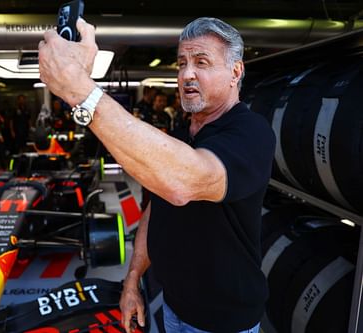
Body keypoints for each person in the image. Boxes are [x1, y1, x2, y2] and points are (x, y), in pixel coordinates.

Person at [38, 16, 275, 333]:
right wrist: (133, 279)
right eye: (182, 63)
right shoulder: (182, 132)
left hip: (221, 322)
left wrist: (80, 89)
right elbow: (158, 204)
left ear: (235, 72)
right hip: (173, 305)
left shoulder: (252, 133)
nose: (187, 74)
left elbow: (182, 183)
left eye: (201, 62)